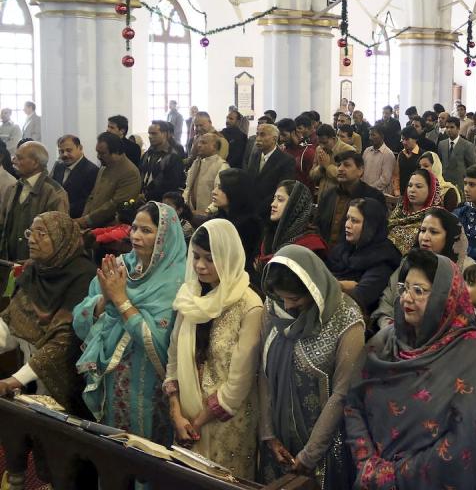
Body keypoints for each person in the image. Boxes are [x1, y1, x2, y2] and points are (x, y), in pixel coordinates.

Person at [345, 250, 476, 488]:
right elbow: (353, 402)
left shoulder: (473, 354)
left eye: (418, 291)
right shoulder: (384, 343)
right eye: (404, 287)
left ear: (445, 297)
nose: (406, 298)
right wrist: (366, 462)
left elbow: (466, 442)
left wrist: (394, 475)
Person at [73, 202, 187, 440]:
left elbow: (160, 343)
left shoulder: (179, 281)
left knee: (146, 454)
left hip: (152, 385)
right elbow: (80, 318)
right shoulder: (119, 266)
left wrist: (121, 299)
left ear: (164, 235)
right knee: (113, 452)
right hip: (112, 378)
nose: (135, 235)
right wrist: (105, 299)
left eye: (146, 230)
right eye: (134, 228)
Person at [259, 245, 365, 486]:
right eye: (282, 297)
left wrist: (309, 455)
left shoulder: (345, 318)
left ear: (313, 290)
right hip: (278, 443)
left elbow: (342, 392)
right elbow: (264, 373)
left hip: (323, 449)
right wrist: (268, 435)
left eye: (295, 298)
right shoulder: (273, 307)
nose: (287, 306)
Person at [164, 221, 263, 478]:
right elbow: (173, 358)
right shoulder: (189, 296)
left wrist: (196, 422)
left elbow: (239, 382)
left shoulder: (249, 305)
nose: (199, 266)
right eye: (195, 256)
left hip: (226, 423)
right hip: (185, 418)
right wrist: (176, 414)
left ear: (228, 256)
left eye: (210, 259)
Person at [0, 212, 95, 412]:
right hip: (28, 380)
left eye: (41, 234)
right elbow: (11, 322)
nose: (31, 240)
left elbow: (63, 341)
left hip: (63, 386)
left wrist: (15, 380)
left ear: (61, 238)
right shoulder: (35, 270)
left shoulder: (84, 277)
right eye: (30, 232)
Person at [325, 197, 401, 315]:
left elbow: (362, 296)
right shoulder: (344, 249)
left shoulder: (383, 258)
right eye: (347, 219)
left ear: (371, 225)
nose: (347, 225)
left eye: (354, 221)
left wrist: (335, 284)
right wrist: (343, 285)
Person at [0, 142, 69, 262]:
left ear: (35, 163)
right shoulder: (12, 189)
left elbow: (59, 237)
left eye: (19, 158)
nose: (13, 161)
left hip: (37, 268)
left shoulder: (55, 193)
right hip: (9, 264)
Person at [316, 150, 386, 245]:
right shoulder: (329, 194)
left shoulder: (373, 197)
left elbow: (376, 233)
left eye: (347, 165)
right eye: (338, 165)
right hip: (325, 252)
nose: (340, 169)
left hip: (355, 255)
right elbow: (317, 225)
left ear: (360, 170)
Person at [257, 180, 326, 268]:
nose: (273, 204)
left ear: (295, 206)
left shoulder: (310, 245)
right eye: (274, 199)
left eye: (280, 200)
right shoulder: (270, 235)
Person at [210, 168, 262, 281]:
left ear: (235, 191)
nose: (214, 191)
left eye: (221, 188)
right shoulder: (217, 218)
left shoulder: (250, 224)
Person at [247, 123, 296, 220]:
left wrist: (260, 208)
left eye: (262, 135)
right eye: (257, 134)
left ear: (274, 139)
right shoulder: (255, 156)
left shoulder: (286, 160)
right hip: (252, 211)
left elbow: (283, 189)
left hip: (271, 211)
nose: (258, 138)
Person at [386, 168, 442, 252]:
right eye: (410, 185)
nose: (412, 190)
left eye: (418, 186)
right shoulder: (400, 210)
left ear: (431, 190)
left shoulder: (436, 218)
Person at [52, 135, 99, 219]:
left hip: (76, 220)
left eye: (69, 150)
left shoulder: (91, 171)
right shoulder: (58, 166)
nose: (65, 154)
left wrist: (61, 211)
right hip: (56, 217)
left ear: (80, 148)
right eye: (61, 151)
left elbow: (86, 202)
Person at [183, 132, 230, 215]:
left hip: (210, 216)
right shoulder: (196, 163)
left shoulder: (222, 166)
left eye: (204, 143)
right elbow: (188, 187)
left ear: (214, 147)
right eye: (199, 142)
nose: (199, 145)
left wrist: (208, 211)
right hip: (191, 213)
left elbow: (221, 195)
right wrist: (184, 205)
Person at [140, 120, 185, 202]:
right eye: (149, 133)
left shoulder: (173, 157)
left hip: (162, 202)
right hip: (143, 200)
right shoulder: (147, 154)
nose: (150, 136)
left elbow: (172, 185)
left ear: (165, 134)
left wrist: (148, 195)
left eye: (154, 133)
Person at [437, 116, 476, 193]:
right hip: (444, 183)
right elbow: (440, 163)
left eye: (452, 127)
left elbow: (472, 166)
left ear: (458, 128)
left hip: (460, 183)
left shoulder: (467, 145)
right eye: (447, 127)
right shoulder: (442, 144)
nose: (449, 130)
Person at [361, 125, 395, 196]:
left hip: (379, 194)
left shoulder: (388, 154)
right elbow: (361, 171)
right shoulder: (367, 151)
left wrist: (369, 189)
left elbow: (385, 179)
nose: (370, 138)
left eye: (373, 135)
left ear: (382, 136)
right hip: (365, 191)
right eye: (369, 135)